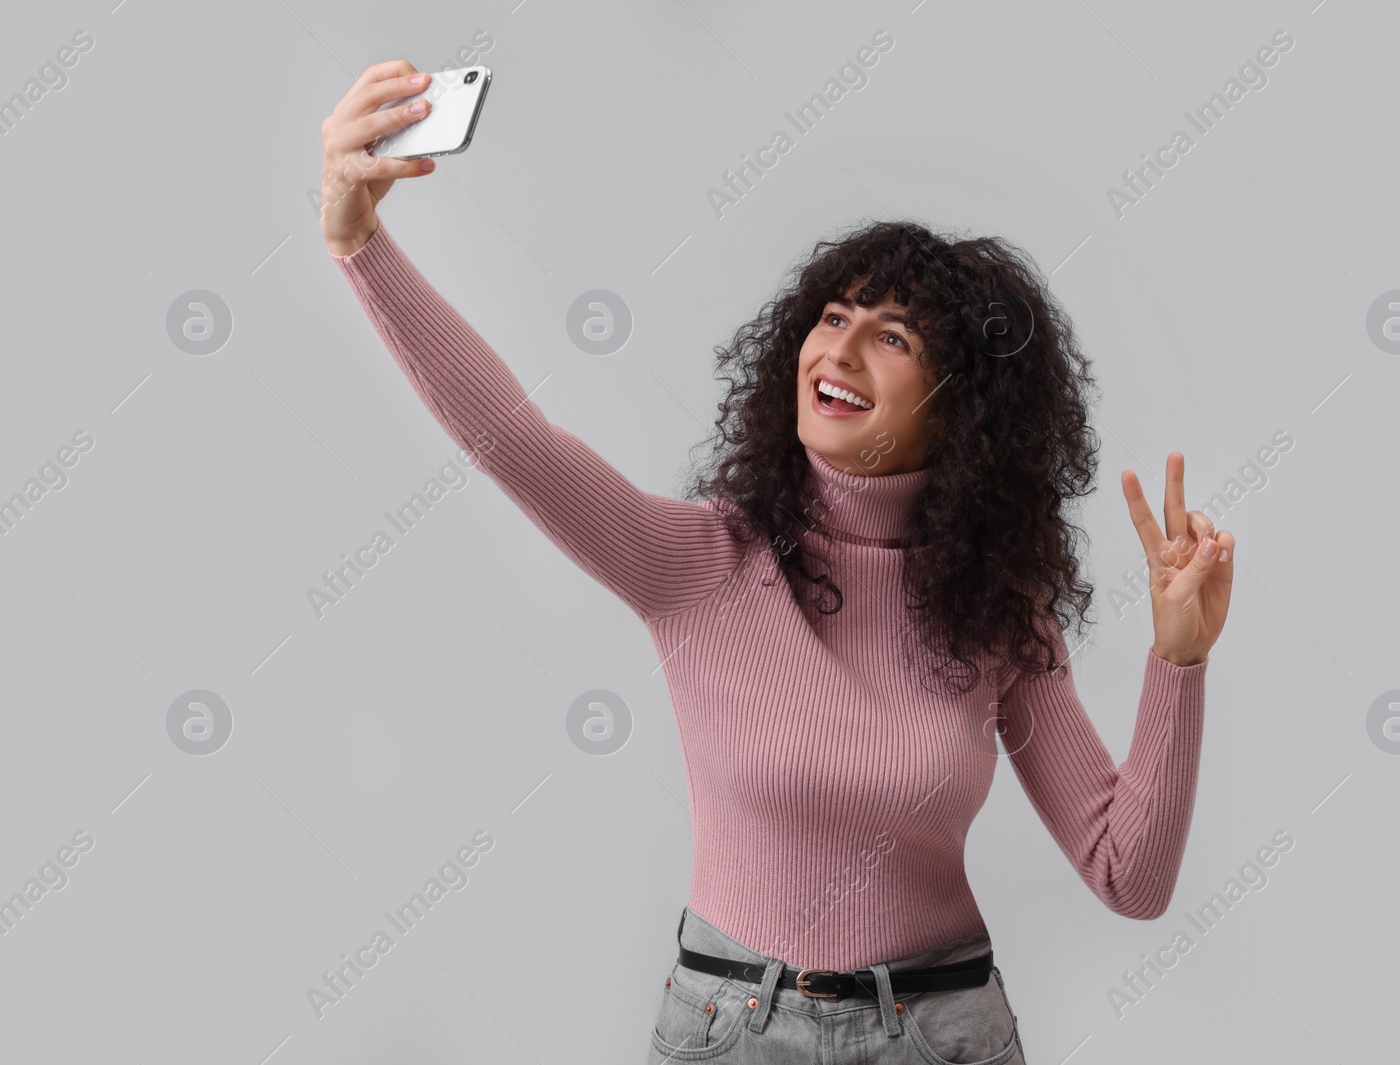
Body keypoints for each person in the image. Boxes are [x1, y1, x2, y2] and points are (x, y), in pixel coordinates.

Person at [320, 60, 1236, 1065]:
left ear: (963, 407)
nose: (838, 351)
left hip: (940, 1035)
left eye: (892, 336)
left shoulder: (998, 609)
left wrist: (1178, 662)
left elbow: (1127, 877)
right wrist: (360, 242)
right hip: (730, 1032)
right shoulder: (700, 562)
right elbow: (512, 438)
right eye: (832, 317)